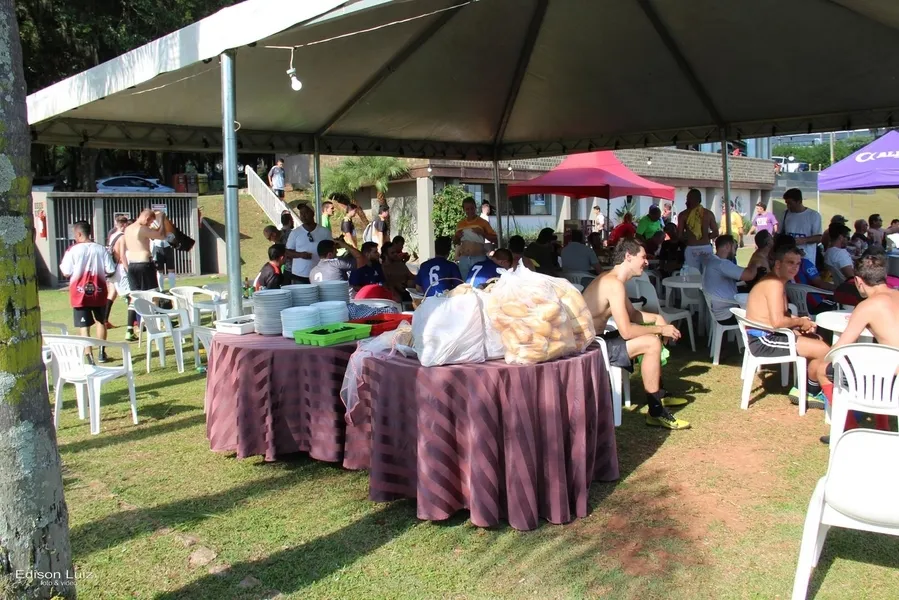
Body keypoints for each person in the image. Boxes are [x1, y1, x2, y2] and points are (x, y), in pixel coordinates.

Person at [582, 238, 690, 430]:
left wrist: (657, 319)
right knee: (651, 343)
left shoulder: (613, 280)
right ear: (628, 257)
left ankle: (659, 396)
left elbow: (632, 314)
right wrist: (660, 329)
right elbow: (627, 331)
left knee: (651, 340)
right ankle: (656, 411)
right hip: (590, 347)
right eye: (643, 257)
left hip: (595, 341)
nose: (647, 262)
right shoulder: (613, 283)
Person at [744, 244, 831, 405]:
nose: (795, 268)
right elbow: (777, 322)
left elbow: (781, 316)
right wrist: (799, 322)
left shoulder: (777, 282)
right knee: (824, 350)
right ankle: (809, 391)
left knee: (818, 340)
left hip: (769, 334)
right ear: (778, 264)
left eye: (798, 264)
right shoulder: (774, 284)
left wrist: (801, 324)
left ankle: (806, 389)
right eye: (790, 263)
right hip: (763, 340)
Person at [59, 221, 116, 362]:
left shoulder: (72, 250)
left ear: (78, 234)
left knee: (84, 326)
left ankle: (89, 357)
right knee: (101, 322)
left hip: (79, 294)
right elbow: (110, 269)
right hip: (99, 290)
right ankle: (102, 353)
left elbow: (66, 272)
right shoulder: (101, 249)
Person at [119, 208, 171, 342]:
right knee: (154, 295)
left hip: (132, 265)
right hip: (144, 264)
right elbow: (160, 235)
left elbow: (124, 250)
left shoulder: (128, 228)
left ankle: (129, 328)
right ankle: (154, 326)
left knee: (134, 296)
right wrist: (162, 219)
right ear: (147, 218)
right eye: (150, 222)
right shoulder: (141, 228)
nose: (149, 225)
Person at [832, 250, 899, 348]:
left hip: (894, 360)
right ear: (885, 276)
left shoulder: (867, 306)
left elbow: (841, 346)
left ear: (858, 281)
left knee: (819, 363)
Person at [772, 234, 837, 315]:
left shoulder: (775, 266)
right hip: (814, 305)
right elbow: (820, 284)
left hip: (791, 306)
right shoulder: (804, 263)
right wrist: (838, 288)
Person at [702, 235, 759, 326]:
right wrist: (755, 262)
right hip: (727, 313)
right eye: (735, 248)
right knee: (762, 308)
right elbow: (749, 275)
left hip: (720, 310)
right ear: (728, 246)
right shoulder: (721, 264)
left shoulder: (712, 260)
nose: (735, 254)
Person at [285, 204, 331, 284]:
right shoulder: (295, 233)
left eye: (306, 213)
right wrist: (300, 255)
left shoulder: (324, 232)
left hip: (320, 275)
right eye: (301, 213)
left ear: (313, 213)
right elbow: (287, 252)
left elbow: (331, 250)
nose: (303, 216)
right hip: (299, 275)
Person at [453, 196, 498, 278]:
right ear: (464, 209)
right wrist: (457, 237)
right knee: (465, 284)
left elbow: (495, 239)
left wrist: (483, 233)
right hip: (464, 258)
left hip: (479, 258)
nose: (470, 211)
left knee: (477, 283)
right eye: (467, 209)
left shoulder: (483, 222)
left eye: (472, 208)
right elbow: (455, 242)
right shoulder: (460, 224)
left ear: (475, 208)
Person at [677, 188, 718, 270]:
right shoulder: (708, 213)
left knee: (693, 274)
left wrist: (688, 237)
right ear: (700, 199)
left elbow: (679, 236)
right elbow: (716, 232)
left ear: (688, 199)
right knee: (707, 273)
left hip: (691, 247)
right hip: (706, 247)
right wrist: (705, 236)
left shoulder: (683, 215)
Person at [781, 188, 822, 266]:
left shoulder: (813, 215)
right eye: (786, 203)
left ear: (799, 201)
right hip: (789, 259)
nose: (788, 206)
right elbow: (779, 234)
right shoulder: (785, 214)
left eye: (790, 203)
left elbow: (819, 238)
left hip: (807, 259)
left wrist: (804, 240)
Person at [104, 215, 130, 329]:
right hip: (120, 268)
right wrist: (128, 270)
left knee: (112, 294)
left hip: (112, 268)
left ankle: (104, 319)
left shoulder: (112, 236)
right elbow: (123, 255)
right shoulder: (123, 237)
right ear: (124, 225)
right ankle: (133, 324)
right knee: (130, 295)